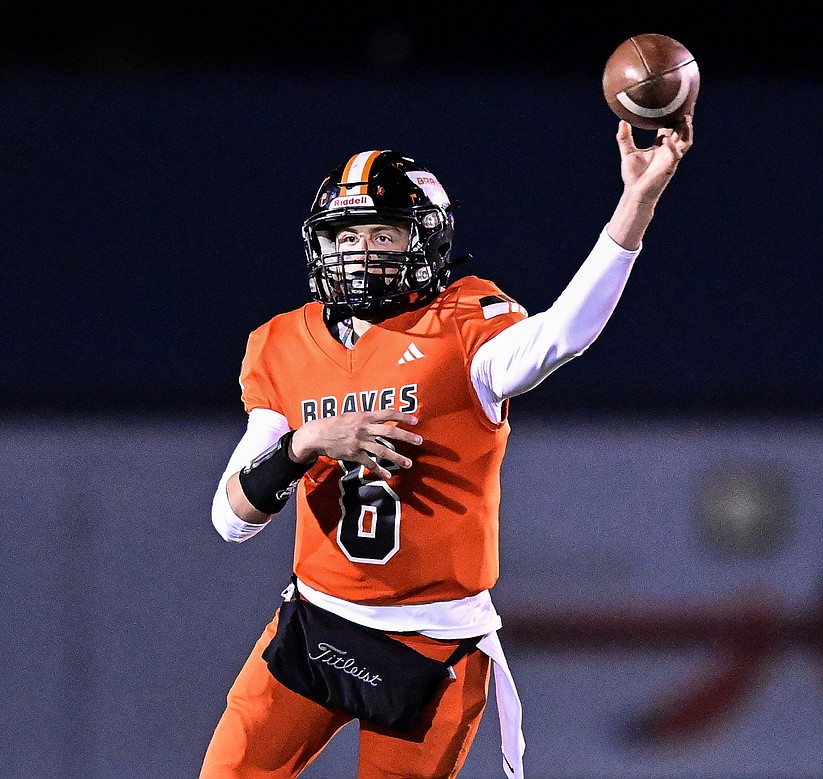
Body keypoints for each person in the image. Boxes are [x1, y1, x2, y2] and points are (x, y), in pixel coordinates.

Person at [198, 113, 694, 779]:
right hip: (317, 624)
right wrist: (304, 442)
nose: (363, 250)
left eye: (384, 232)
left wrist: (638, 201)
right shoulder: (282, 343)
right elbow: (231, 518)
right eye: (348, 234)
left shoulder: (465, 323)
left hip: (431, 642)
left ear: (423, 240)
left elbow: (563, 335)